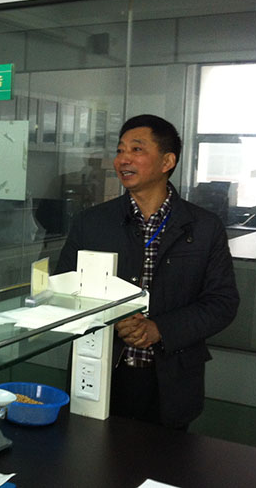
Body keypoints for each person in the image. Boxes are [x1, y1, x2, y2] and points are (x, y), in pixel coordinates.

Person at [56, 114, 238, 429]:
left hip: (172, 379)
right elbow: (63, 290)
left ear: (167, 161)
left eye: (136, 149)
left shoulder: (204, 227)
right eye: (120, 150)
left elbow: (222, 303)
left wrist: (159, 329)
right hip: (100, 372)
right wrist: (112, 319)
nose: (122, 159)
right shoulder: (92, 223)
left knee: (164, 457)